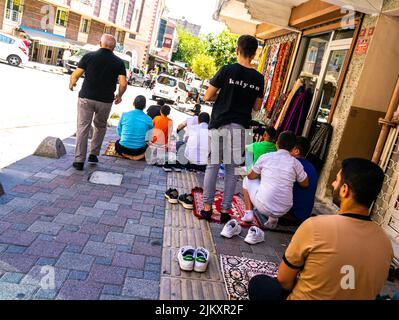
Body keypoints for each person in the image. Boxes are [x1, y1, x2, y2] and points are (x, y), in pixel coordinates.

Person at [249, 158, 393, 300]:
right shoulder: (386, 243)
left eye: (336, 180)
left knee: (259, 283)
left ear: (345, 190)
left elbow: (284, 280)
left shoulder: (315, 226)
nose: (332, 183)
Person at [201, 35, 265, 223]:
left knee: (213, 165)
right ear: (254, 54)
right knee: (231, 170)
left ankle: (206, 208)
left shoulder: (226, 70)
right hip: (240, 126)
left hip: (220, 123)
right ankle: (225, 211)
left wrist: (223, 97)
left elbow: (207, 96)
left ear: (238, 50)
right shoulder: (259, 78)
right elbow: (257, 107)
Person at [69, 34, 128, 170]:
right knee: (100, 127)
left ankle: (79, 160)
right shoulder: (119, 62)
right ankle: (94, 154)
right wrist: (119, 95)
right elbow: (123, 83)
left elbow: (75, 75)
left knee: (83, 127)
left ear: (100, 43)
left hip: (86, 97)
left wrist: (72, 83)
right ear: (113, 48)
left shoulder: (89, 57)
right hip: (105, 101)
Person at [241, 131, 309, 231]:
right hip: (284, 210)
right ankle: (273, 219)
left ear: (277, 143)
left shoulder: (266, 157)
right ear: (293, 147)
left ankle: (248, 214)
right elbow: (305, 184)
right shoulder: (296, 163)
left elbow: (251, 177)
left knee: (247, 180)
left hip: (263, 206)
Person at [279, 136, 318, 226]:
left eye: (289, 148)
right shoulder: (311, 166)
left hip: (293, 215)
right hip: (304, 214)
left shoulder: (292, 164)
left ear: (296, 151)